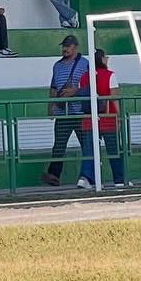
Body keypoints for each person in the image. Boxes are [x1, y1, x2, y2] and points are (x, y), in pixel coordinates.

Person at [42, 34, 91, 187]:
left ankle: (89, 175)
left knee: (86, 145)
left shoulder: (85, 64)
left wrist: (75, 91)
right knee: (59, 145)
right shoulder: (57, 66)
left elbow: (91, 86)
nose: (64, 49)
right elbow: (53, 87)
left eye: (68, 46)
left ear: (75, 48)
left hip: (79, 112)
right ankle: (54, 175)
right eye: (64, 46)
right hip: (62, 113)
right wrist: (50, 107)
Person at [79, 48, 127, 190]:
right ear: (101, 59)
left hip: (89, 119)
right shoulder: (110, 76)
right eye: (105, 56)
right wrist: (119, 117)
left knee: (89, 151)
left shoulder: (83, 77)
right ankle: (119, 179)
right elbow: (114, 98)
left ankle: (86, 178)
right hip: (108, 119)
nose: (107, 59)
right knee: (114, 150)